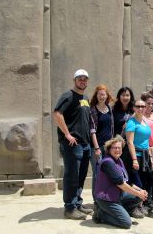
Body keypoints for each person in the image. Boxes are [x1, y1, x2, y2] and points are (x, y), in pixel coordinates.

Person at [53, 69, 93, 219]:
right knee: (71, 176)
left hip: (85, 143)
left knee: (81, 176)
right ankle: (69, 208)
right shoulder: (68, 95)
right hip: (72, 144)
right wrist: (67, 134)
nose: (83, 81)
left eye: (85, 79)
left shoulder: (85, 97)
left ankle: (77, 204)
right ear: (74, 80)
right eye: (80, 79)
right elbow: (57, 113)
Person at [93, 135, 148, 228]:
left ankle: (121, 211)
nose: (117, 150)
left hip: (117, 195)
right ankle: (101, 214)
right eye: (114, 148)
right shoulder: (108, 163)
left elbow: (126, 181)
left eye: (119, 148)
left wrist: (141, 191)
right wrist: (138, 193)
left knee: (139, 195)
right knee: (126, 223)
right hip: (106, 199)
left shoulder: (119, 161)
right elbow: (120, 183)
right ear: (109, 149)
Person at [125, 100, 152, 209]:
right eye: (138, 106)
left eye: (143, 106)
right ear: (134, 108)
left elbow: (146, 141)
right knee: (137, 182)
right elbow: (130, 142)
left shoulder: (144, 121)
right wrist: (134, 159)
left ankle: (143, 204)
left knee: (147, 180)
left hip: (145, 156)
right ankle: (136, 206)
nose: (141, 108)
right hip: (136, 156)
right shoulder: (132, 122)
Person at [89, 84, 114, 200]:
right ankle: (96, 198)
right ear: (96, 95)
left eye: (103, 94)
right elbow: (92, 131)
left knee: (107, 172)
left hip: (108, 147)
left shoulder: (109, 109)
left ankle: (105, 196)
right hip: (97, 148)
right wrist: (97, 148)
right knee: (97, 173)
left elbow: (111, 129)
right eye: (99, 94)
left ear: (107, 95)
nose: (102, 96)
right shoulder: (93, 110)